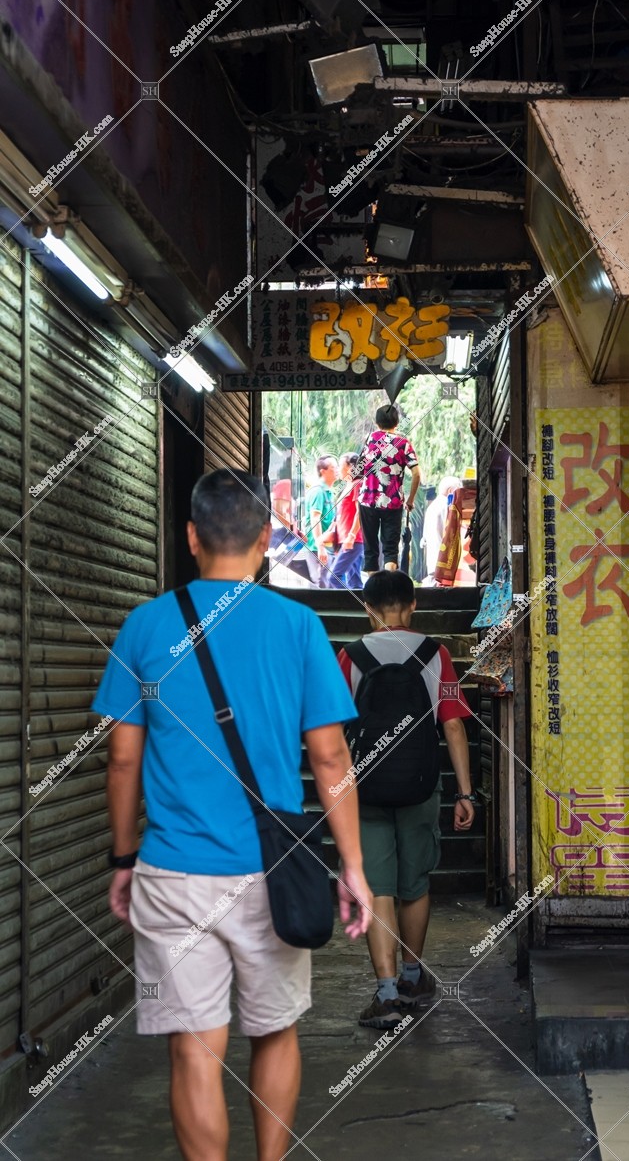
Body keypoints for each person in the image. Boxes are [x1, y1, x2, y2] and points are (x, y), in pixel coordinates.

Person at [94, 469, 372, 1161]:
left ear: (191, 537)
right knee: (275, 1030)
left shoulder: (145, 626)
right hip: (270, 873)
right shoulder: (298, 626)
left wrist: (123, 859)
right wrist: (354, 869)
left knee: (194, 1048)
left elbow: (122, 762)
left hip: (172, 872)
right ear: (267, 537)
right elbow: (331, 758)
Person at [336, 570, 475, 1028]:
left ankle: (388, 994)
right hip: (420, 783)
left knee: (379, 888)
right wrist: (465, 792)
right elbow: (453, 724)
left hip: (367, 785)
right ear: (413, 604)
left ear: (368, 609)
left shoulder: (350, 657)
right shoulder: (438, 654)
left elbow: (333, 728)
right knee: (414, 882)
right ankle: (414, 976)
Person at [359, 404, 420, 573]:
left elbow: (359, 469)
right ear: (397, 422)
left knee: (370, 551)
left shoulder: (370, 440)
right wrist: (410, 500)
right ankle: (388, 594)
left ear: (377, 422)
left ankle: (372, 596)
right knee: (390, 551)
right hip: (393, 503)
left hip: (367, 501)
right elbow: (416, 474)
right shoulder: (403, 443)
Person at [328, 451, 364, 589]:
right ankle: (358, 607)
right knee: (354, 581)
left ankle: (346, 606)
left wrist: (351, 536)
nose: (338, 469)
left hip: (353, 540)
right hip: (347, 541)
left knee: (333, 577)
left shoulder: (357, 484)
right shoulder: (348, 486)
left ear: (350, 467)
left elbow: (360, 512)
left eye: (341, 465)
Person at [303, 454, 338, 588]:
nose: (337, 470)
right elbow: (315, 518)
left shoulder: (329, 492)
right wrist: (320, 546)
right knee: (320, 584)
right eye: (333, 467)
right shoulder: (318, 491)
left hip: (327, 546)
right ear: (323, 471)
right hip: (316, 548)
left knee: (327, 583)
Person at [421, 476, 463, 580]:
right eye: (458, 490)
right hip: (442, 561)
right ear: (450, 490)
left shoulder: (433, 506)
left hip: (433, 561)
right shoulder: (446, 506)